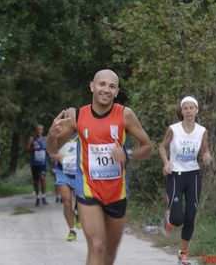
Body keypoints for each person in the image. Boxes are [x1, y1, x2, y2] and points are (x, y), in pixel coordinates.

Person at [46, 69, 153, 265]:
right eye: (102, 84)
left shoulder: (125, 115)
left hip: (116, 193)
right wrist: (52, 134)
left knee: (108, 255)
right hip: (88, 191)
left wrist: (127, 154)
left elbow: (148, 148)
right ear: (92, 86)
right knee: (96, 246)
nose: (106, 89)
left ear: (117, 91)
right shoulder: (78, 116)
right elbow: (52, 148)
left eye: (112, 86)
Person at [159, 96, 211, 265]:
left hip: (193, 175)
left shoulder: (202, 131)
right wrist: (167, 163)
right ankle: (169, 219)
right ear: (181, 111)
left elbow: (205, 150)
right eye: (185, 108)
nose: (189, 111)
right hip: (175, 175)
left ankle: (183, 253)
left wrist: (206, 156)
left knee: (190, 216)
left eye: (192, 108)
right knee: (177, 219)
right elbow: (161, 147)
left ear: (197, 110)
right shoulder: (173, 129)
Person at [50, 132, 79, 241]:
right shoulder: (59, 134)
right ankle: (72, 230)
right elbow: (50, 151)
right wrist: (55, 156)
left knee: (81, 202)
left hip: (79, 172)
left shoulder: (83, 131)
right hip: (63, 172)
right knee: (67, 202)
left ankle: (78, 214)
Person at [26, 124, 48, 206]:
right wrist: (32, 148)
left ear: (42, 131)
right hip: (34, 163)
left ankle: (44, 196)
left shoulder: (46, 139)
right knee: (36, 181)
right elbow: (27, 149)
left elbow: (50, 149)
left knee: (43, 178)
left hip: (43, 163)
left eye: (41, 130)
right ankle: (38, 197)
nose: (39, 131)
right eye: (37, 130)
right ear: (35, 131)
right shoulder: (32, 139)